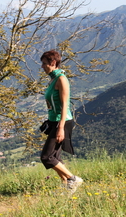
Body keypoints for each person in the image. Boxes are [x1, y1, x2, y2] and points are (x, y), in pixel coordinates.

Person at [40, 50, 83, 194]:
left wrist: (61, 128)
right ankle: (66, 186)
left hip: (61, 122)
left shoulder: (61, 79)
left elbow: (65, 105)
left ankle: (72, 179)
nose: (42, 66)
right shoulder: (53, 78)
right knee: (55, 157)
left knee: (47, 157)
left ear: (53, 63)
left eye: (45, 63)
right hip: (54, 121)